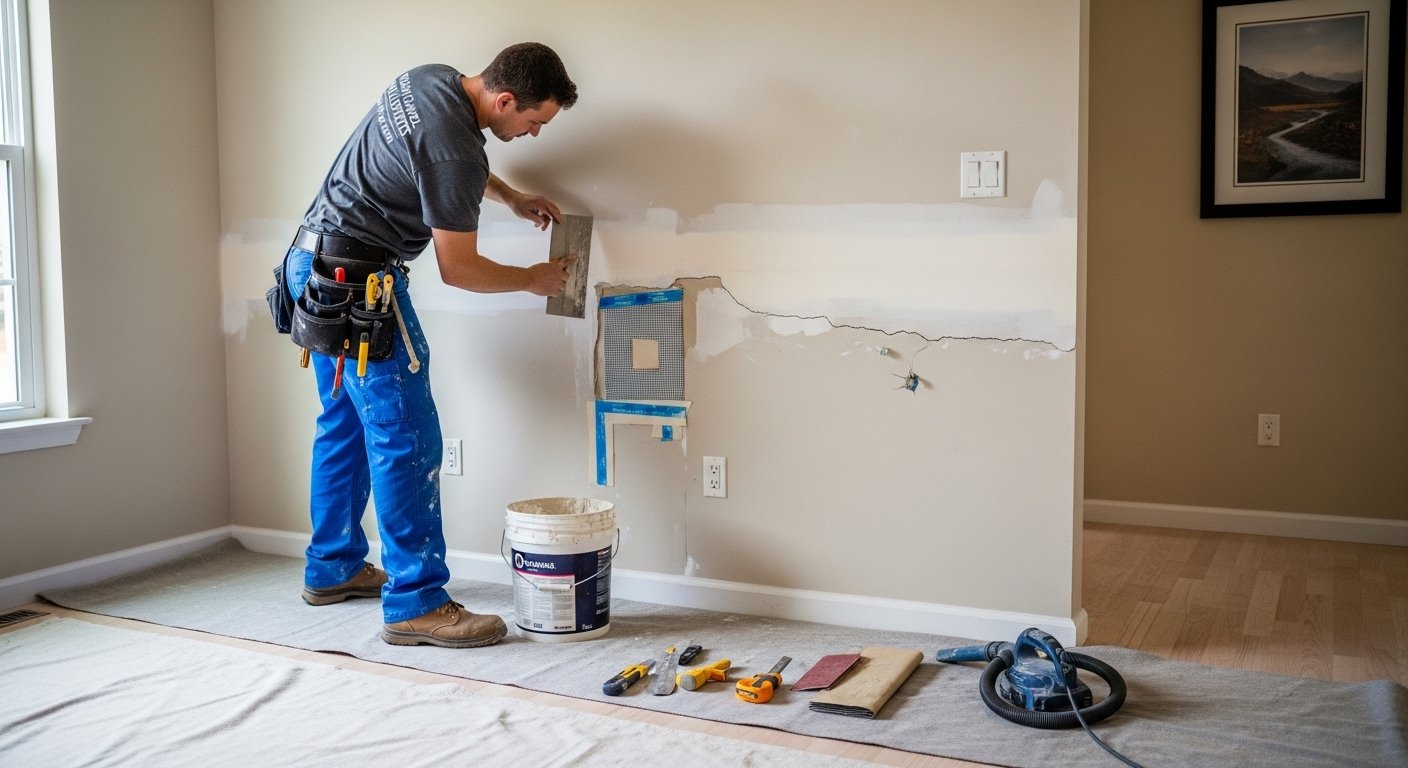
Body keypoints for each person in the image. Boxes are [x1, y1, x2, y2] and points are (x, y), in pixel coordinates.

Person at [283, 43, 578, 648]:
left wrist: (511, 197)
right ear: (504, 100)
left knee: (343, 422)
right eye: (533, 121)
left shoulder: (432, 80)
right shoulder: (459, 154)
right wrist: (532, 280)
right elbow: (460, 269)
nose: (533, 133)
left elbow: (440, 159)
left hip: (310, 264)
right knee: (408, 438)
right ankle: (416, 602)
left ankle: (332, 566)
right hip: (359, 283)